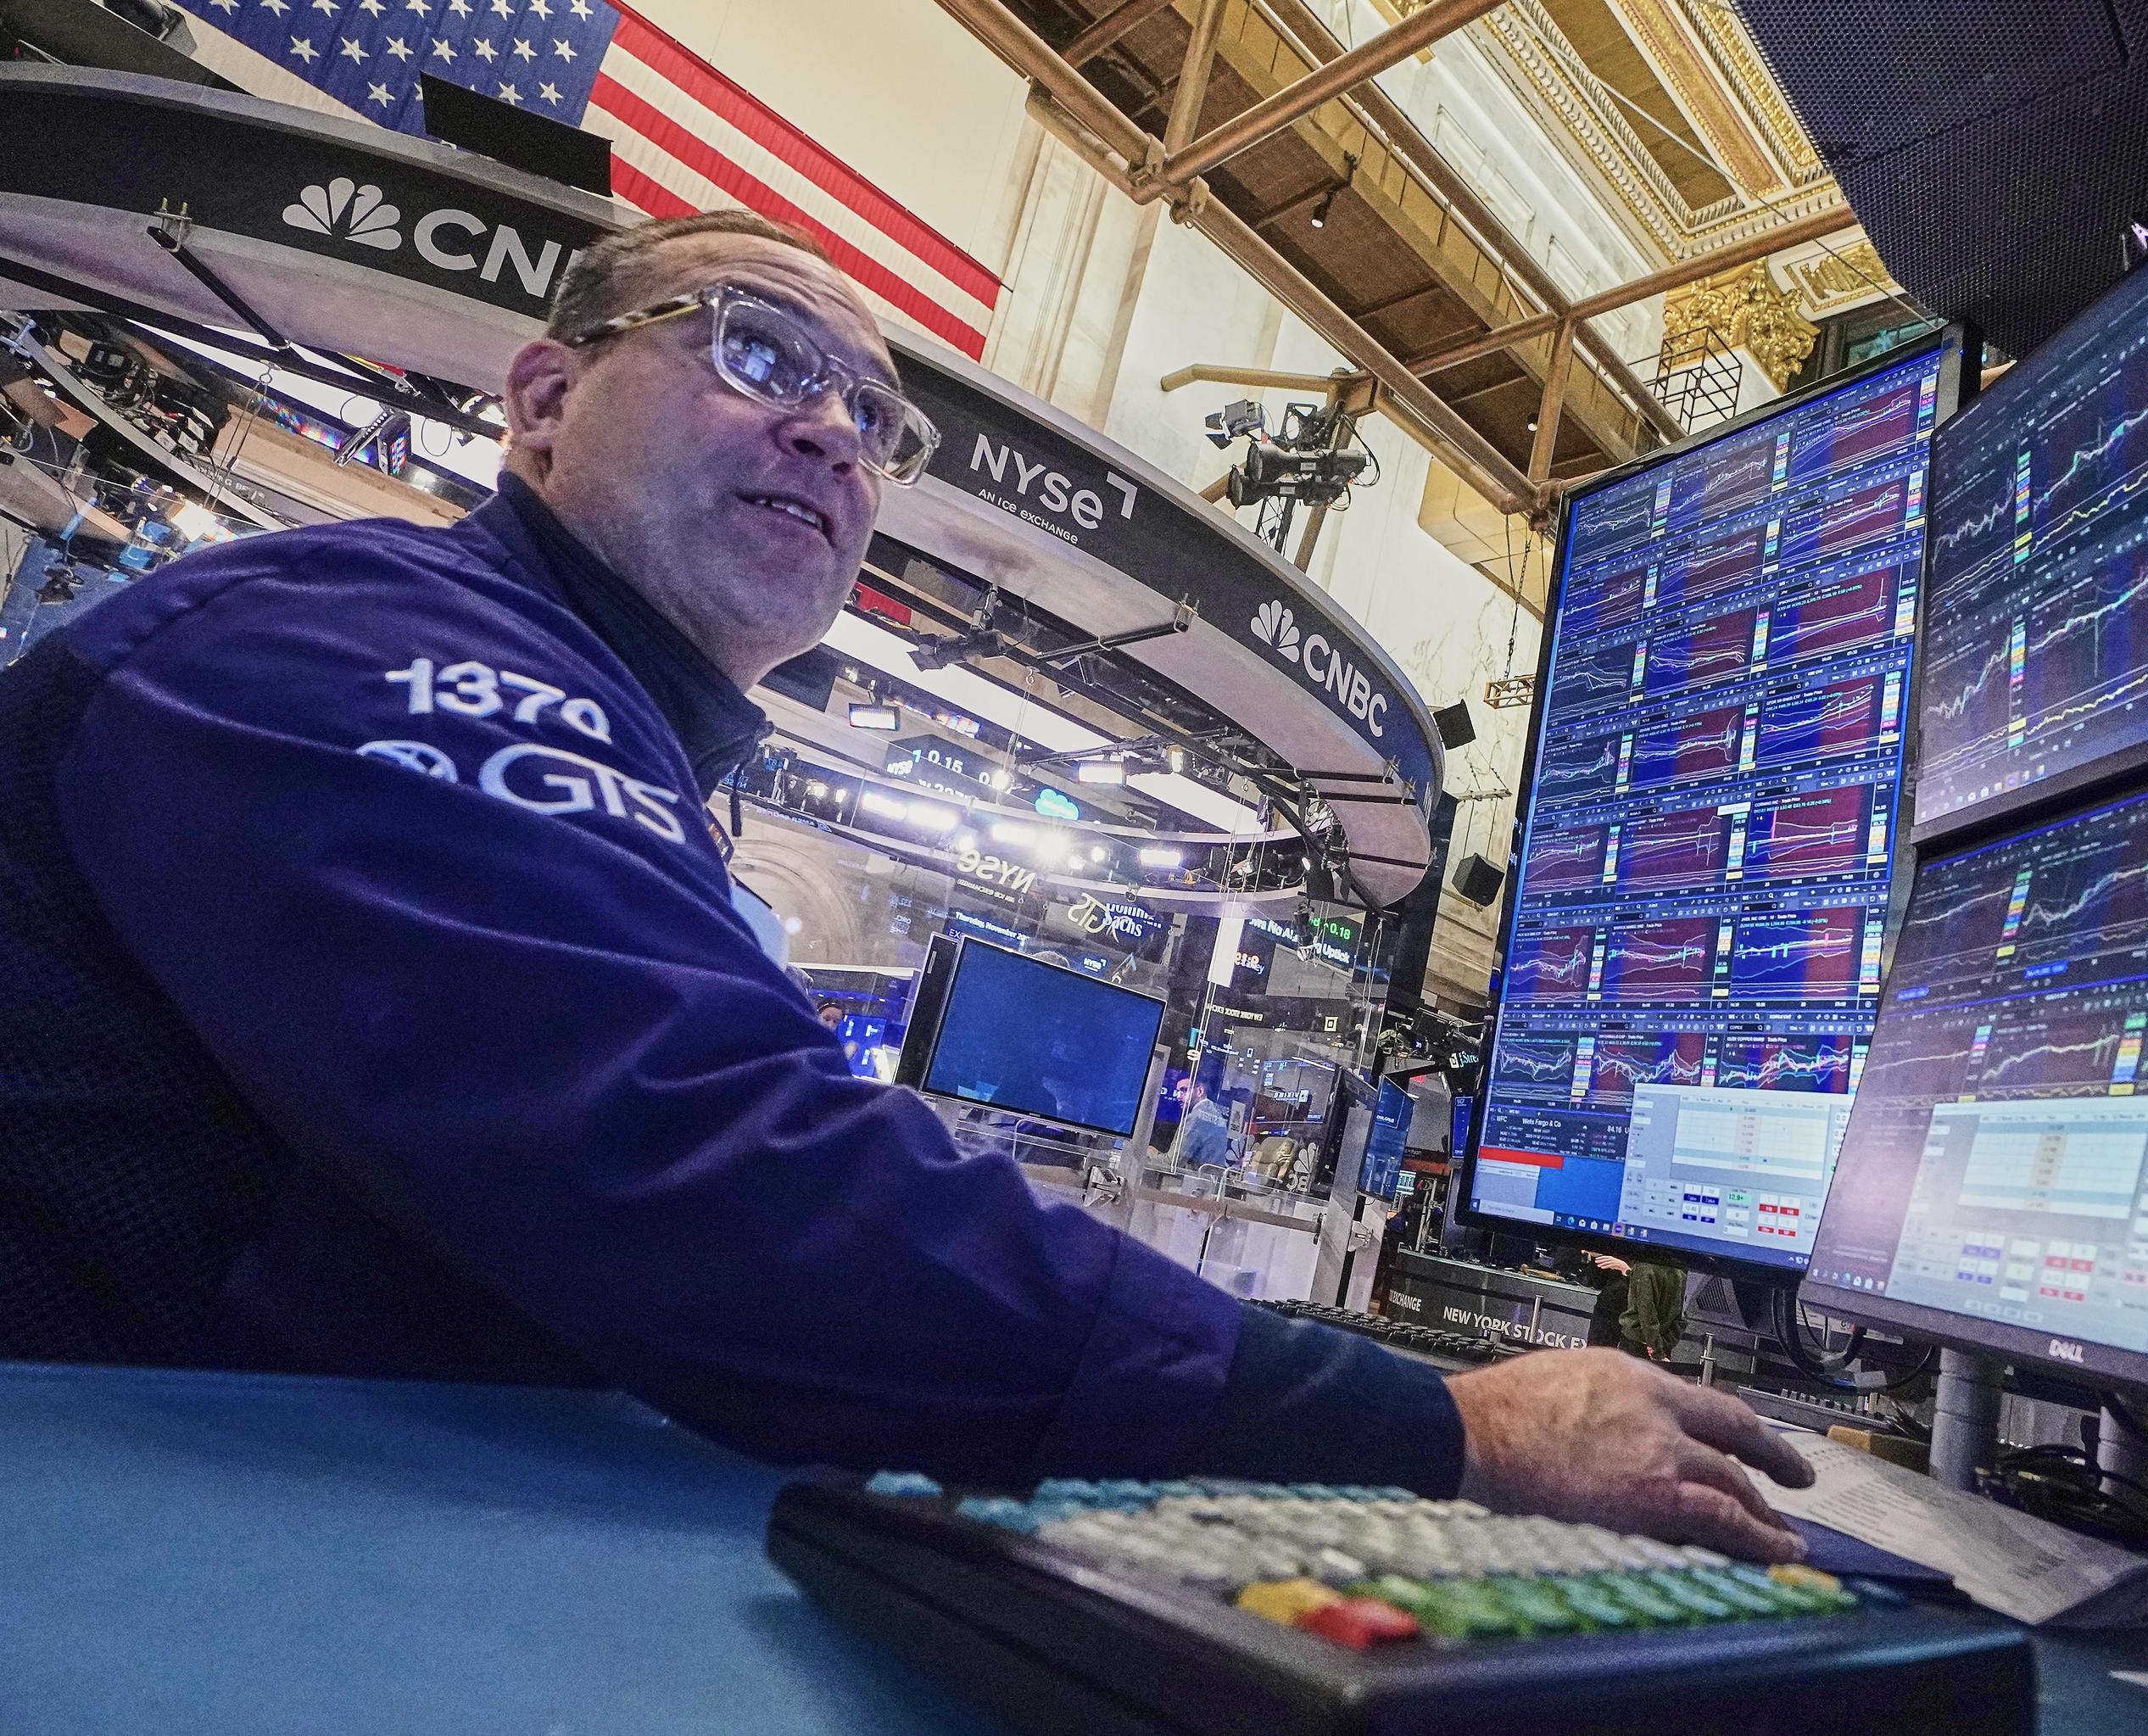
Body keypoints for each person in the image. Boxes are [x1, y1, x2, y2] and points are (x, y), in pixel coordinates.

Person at [0, 211, 1811, 1560]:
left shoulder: (606, 735)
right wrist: (1438, 1429)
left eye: (875, 418)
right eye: (763, 357)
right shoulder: (369, 641)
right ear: (542, 398)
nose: (835, 438)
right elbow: (715, 1178)